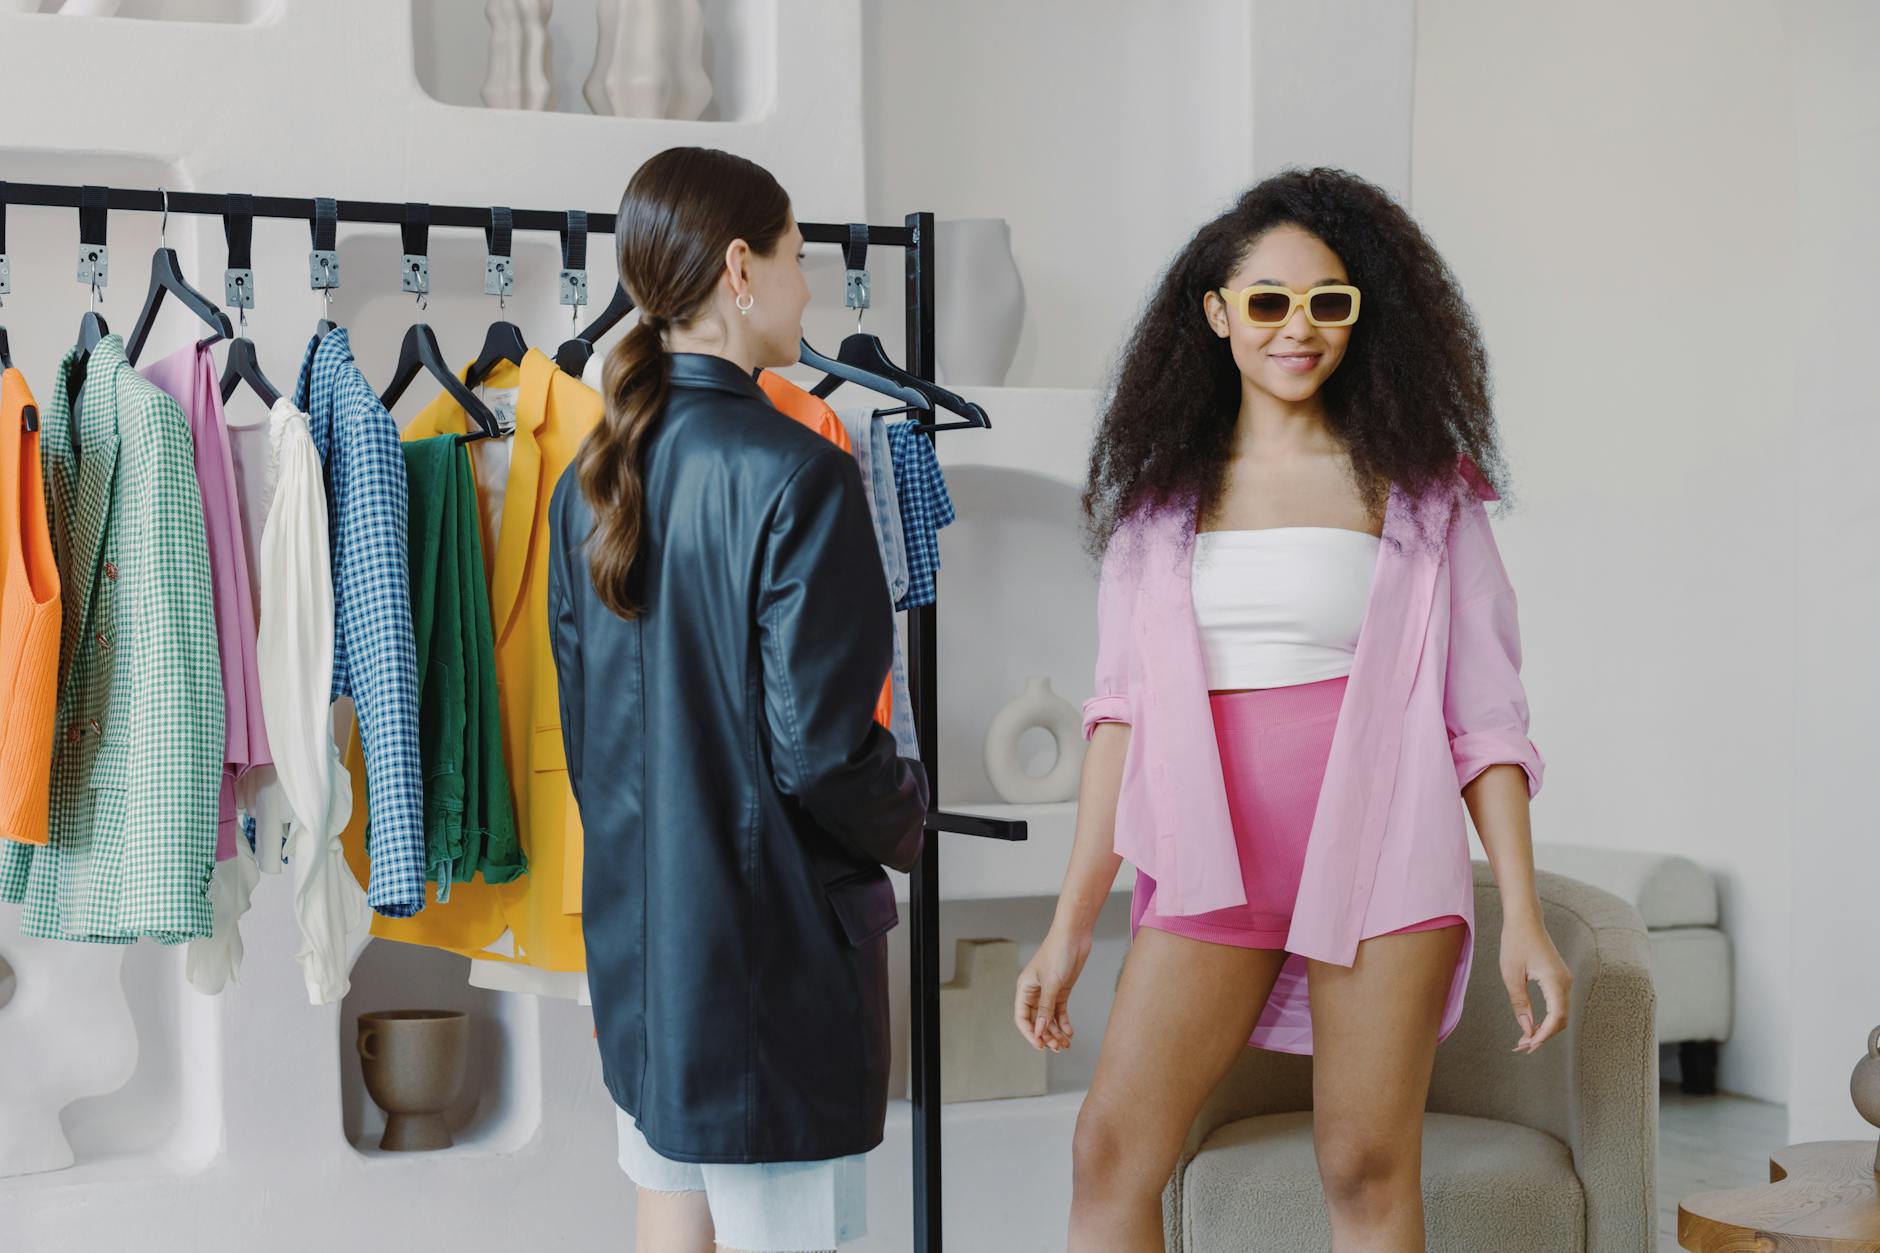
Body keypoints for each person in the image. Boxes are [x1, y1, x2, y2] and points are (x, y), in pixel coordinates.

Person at [1015, 167, 1569, 1252]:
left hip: (1379, 864)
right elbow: (1115, 719)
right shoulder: (1157, 505)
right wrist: (1069, 926)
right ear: (1216, 314)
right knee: (1108, 1147)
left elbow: (1485, 716)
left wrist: (1527, 918)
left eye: (1327, 301)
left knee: (1361, 1166)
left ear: (1363, 316)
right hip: (1208, 860)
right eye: (1266, 300)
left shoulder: (1421, 491)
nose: (1296, 328)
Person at [547, 145, 928, 1253]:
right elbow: (821, 753)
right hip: (773, 966)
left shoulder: (600, 473)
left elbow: (591, 743)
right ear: (739, 269)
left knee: (671, 1216)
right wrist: (905, 811)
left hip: (646, 958)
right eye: (800, 257)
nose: (810, 287)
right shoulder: (797, 472)